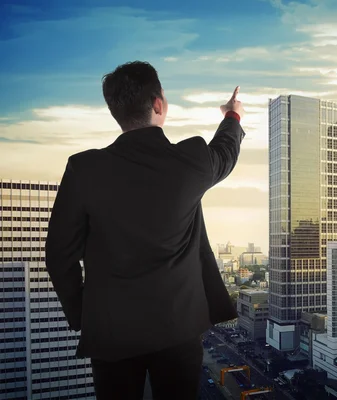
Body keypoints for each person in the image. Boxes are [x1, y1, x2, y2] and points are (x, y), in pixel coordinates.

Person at [45, 61, 244, 399]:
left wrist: (83, 314)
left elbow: (58, 255)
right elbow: (226, 152)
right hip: (179, 329)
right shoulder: (191, 159)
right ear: (158, 104)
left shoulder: (84, 169)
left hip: (111, 332)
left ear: (115, 111)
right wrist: (232, 115)